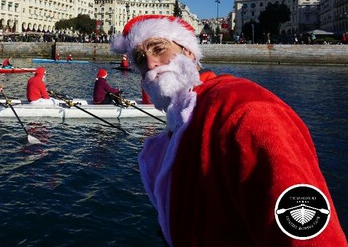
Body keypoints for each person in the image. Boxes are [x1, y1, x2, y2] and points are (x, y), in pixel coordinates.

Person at [111, 14, 346, 246]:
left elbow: (309, 233)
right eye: (141, 58)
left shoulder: (244, 108)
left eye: (159, 48)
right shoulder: (184, 119)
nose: (150, 63)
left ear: (189, 53)